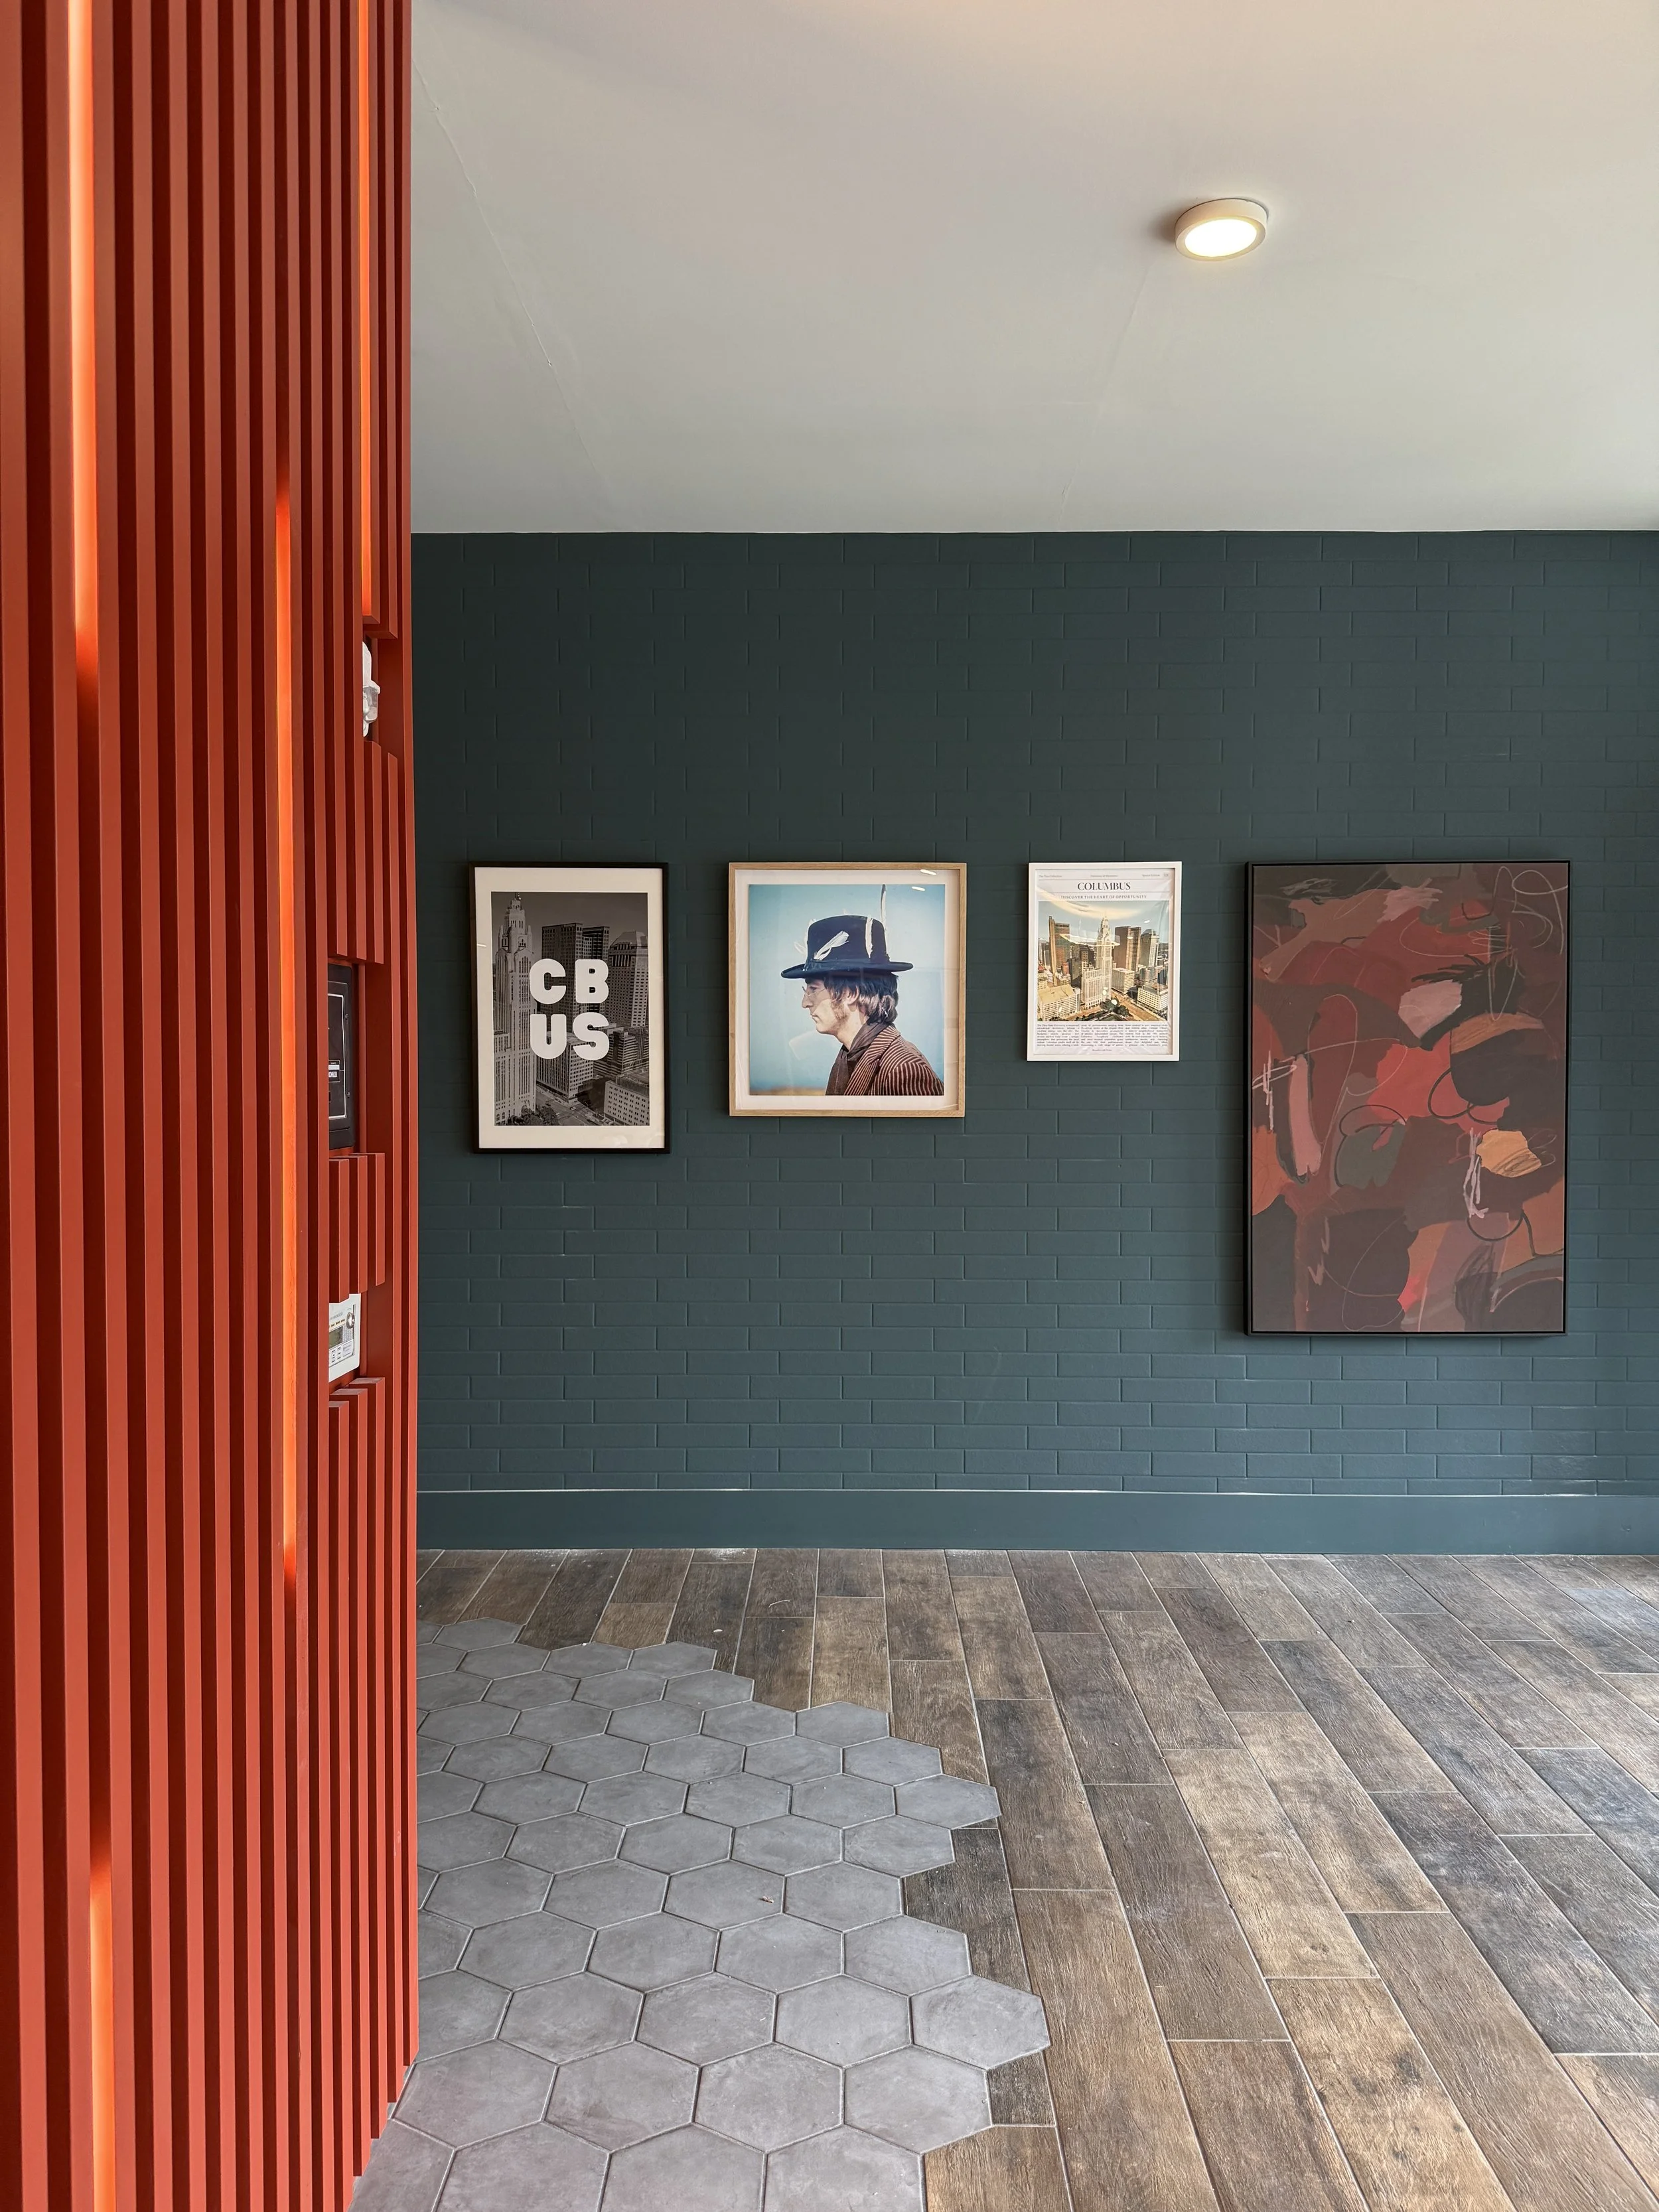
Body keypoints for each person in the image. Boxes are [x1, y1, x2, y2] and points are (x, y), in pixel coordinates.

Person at [781, 913, 944, 1096]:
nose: (805, 1003)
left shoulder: (904, 1070)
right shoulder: (850, 1055)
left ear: (850, 994)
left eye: (813, 989)